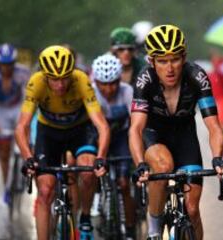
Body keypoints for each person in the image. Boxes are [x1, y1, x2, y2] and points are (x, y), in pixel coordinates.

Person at [129, 24, 223, 240]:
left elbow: (213, 125)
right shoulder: (144, 80)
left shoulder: (197, 76)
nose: (170, 68)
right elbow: (136, 128)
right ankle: (154, 228)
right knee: (163, 166)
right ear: (152, 62)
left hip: (185, 136)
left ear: (183, 58)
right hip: (154, 133)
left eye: (174, 59)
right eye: (162, 61)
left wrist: (218, 158)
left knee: (192, 209)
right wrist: (140, 164)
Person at [15, 45, 110, 240]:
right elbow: (22, 127)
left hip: (80, 131)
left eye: (65, 78)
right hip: (49, 133)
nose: (60, 85)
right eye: (54, 79)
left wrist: (101, 158)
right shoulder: (37, 82)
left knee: (87, 171)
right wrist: (28, 157)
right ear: (45, 75)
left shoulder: (81, 79)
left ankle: (84, 217)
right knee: (45, 190)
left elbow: (102, 125)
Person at [91, 54, 135, 238]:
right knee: (89, 174)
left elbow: (135, 122)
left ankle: (131, 228)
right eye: (103, 84)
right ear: (96, 81)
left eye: (113, 83)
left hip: (120, 139)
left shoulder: (127, 91)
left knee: (124, 184)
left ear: (119, 79)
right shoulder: (91, 92)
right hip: (96, 138)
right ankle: (95, 201)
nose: (108, 89)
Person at [0, 43, 31, 203]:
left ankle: (25, 163)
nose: (6, 68)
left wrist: (26, 121)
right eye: (3, 65)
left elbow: (29, 96)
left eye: (9, 64)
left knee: (24, 136)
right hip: (1, 110)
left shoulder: (22, 73)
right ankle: (7, 186)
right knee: (4, 152)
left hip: (18, 106)